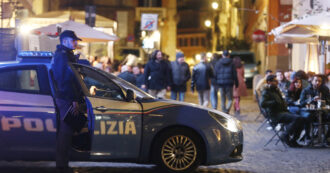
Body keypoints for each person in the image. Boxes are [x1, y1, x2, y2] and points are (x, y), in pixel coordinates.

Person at [52, 30, 84, 173]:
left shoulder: (68, 55)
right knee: (66, 130)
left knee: (69, 129)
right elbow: (64, 81)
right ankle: (62, 165)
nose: (76, 43)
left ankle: (64, 162)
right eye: (73, 40)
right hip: (66, 98)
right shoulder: (62, 56)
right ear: (64, 41)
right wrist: (73, 100)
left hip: (68, 97)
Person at [260, 75, 305, 147]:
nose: (277, 82)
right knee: (296, 119)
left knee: (302, 119)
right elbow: (263, 104)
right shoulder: (266, 91)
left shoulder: (276, 90)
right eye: (275, 81)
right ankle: (285, 135)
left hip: (283, 111)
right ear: (269, 82)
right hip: (275, 114)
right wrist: (274, 102)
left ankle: (293, 140)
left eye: (276, 80)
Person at [299, 75, 330, 141]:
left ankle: (327, 137)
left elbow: (328, 101)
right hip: (311, 112)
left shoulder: (324, 89)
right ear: (312, 81)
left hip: (323, 112)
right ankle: (307, 137)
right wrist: (312, 100)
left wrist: (323, 100)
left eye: (319, 81)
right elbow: (301, 103)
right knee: (307, 117)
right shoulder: (306, 90)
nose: (318, 82)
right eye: (316, 81)